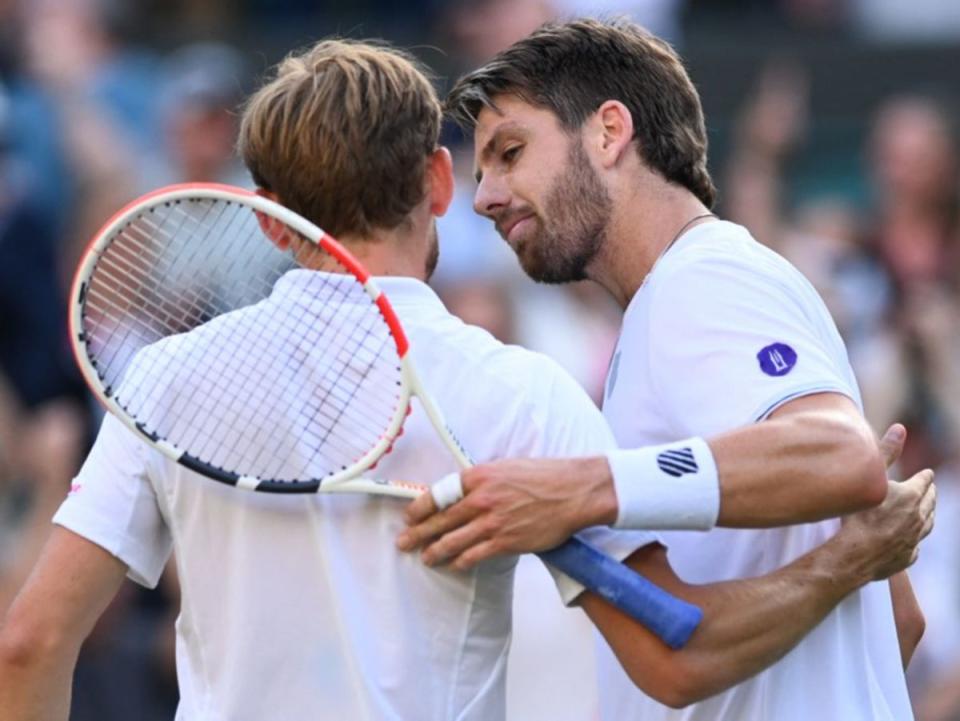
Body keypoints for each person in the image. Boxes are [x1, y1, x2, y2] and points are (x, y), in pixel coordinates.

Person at [0, 38, 933, 721]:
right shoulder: (523, 393)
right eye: (481, 167)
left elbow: (30, 645)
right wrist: (852, 560)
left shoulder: (165, 379)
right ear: (436, 183)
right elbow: (674, 647)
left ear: (267, 220)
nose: (491, 194)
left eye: (512, 155)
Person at [399, 18, 932, 720]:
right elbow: (896, 620)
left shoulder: (702, 280)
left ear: (609, 132)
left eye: (511, 152)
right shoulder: (678, 299)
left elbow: (841, 454)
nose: (484, 197)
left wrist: (585, 487)